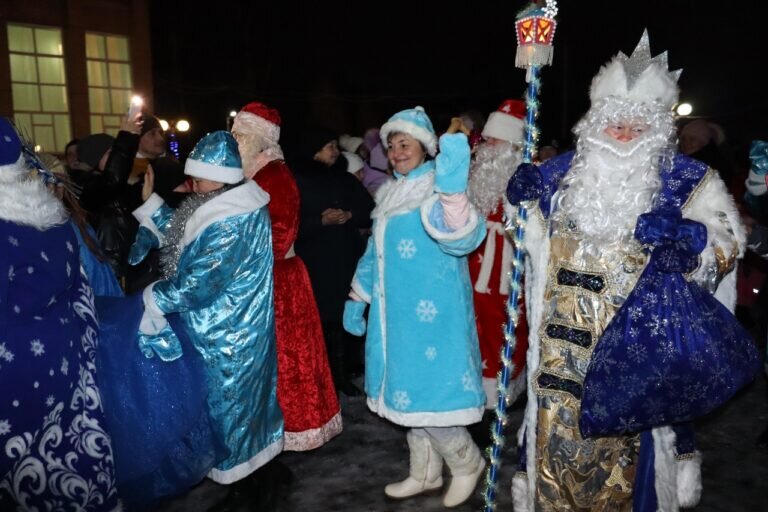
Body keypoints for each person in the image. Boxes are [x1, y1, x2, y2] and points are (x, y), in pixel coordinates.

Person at [505, 31, 758, 511]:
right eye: (614, 124)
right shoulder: (558, 172)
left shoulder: (689, 181)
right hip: (561, 357)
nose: (622, 134)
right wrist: (520, 203)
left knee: (630, 476)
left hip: (635, 353)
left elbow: (727, 241)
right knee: (551, 460)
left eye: (636, 126)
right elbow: (528, 242)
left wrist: (691, 242)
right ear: (595, 122)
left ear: (658, 129)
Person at [129, 130, 283, 510]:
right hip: (232, 329)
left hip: (228, 334)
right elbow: (188, 239)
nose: (192, 181)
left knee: (231, 409)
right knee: (245, 407)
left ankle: (247, 492)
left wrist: (151, 300)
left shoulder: (231, 218)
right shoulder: (223, 203)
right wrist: (151, 205)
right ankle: (263, 477)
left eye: (199, 175)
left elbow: (199, 283)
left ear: (222, 176)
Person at [343, 106, 487, 508]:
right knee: (407, 397)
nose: (396, 152)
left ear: (425, 147)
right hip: (397, 317)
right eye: (391, 146)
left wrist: (454, 189)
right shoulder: (391, 193)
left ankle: (466, 463)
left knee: (429, 397)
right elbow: (376, 252)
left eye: (404, 144)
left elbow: (461, 237)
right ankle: (424, 472)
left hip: (434, 318)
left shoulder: (434, 190)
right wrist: (358, 297)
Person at [0, 118, 120, 510]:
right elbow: (81, 295)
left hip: (11, 377)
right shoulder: (53, 221)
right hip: (63, 366)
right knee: (61, 465)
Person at [232, 101, 341, 451]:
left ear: (258, 139)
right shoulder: (253, 172)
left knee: (289, 361)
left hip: (278, 281)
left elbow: (279, 234)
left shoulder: (274, 174)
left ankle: (292, 430)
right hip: (265, 278)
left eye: (241, 135)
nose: (235, 141)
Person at [294, 125, 374, 396]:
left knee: (344, 319)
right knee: (319, 323)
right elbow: (288, 224)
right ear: (314, 150)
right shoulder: (296, 180)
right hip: (314, 261)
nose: (335, 151)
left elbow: (369, 210)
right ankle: (320, 378)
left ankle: (343, 373)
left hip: (345, 258)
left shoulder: (344, 179)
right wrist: (319, 221)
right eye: (329, 146)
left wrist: (350, 215)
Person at [465, 99, 529, 410]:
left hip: (506, 269)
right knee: (474, 327)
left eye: (493, 138)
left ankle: (502, 392)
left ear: (512, 144)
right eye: (487, 138)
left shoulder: (526, 176)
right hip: (473, 264)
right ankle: (478, 390)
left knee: (504, 326)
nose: (485, 145)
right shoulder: (475, 176)